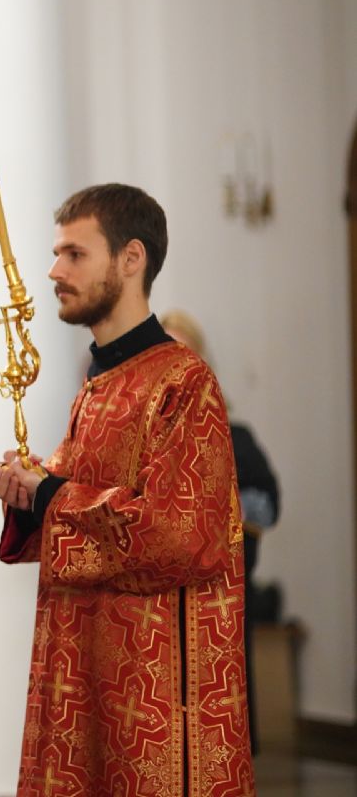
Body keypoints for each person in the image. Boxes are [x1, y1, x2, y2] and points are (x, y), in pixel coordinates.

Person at [0, 185, 253, 795]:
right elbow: (72, 504)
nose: (55, 271)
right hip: (87, 675)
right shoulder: (97, 385)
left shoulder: (184, 383)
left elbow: (183, 537)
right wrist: (27, 494)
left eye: (74, 254)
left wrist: (51, 494)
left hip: (157, 695)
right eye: (57, 254)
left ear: (131, 258)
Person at [160, 307, 280, 754]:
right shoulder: (138, 438)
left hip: (218, 598)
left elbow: (264, 506)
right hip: (156, 604)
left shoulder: (234, 436)